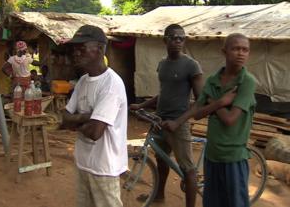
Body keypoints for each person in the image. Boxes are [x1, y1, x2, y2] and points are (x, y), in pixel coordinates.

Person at [171, 33, 255, 207]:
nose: (241, 53)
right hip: (213, 154)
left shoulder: (247, 81)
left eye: (245, 50)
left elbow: (230, 119)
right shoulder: (213, 80)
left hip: (234, 156)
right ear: (224, 51)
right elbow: (198, 114)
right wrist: (221, 102)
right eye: (236, 48)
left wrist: (213, 104)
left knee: (235, 203)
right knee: (212, 202)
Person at [130, 24, 203, 207]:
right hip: (160, 120)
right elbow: (163, 92)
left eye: (181, 38)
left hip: (178, 123)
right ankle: (159, 195)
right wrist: (142, 104)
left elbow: (201, 101)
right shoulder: (162, 64)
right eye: (174, 37)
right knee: (161, 160)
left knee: (188, 169)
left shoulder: (191, 65)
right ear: (165, 40)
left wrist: (178, 122)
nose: (178, 41)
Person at [62, 25, 128, 207]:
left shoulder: (111, 85)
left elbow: (94, 132)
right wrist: (87, 117)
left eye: (81, 48)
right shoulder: (83, 81)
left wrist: (78, 121)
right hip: (83, 163)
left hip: (104, 168)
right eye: (74, 49)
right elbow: (64, 118)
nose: (75, 53)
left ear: (99, 49)